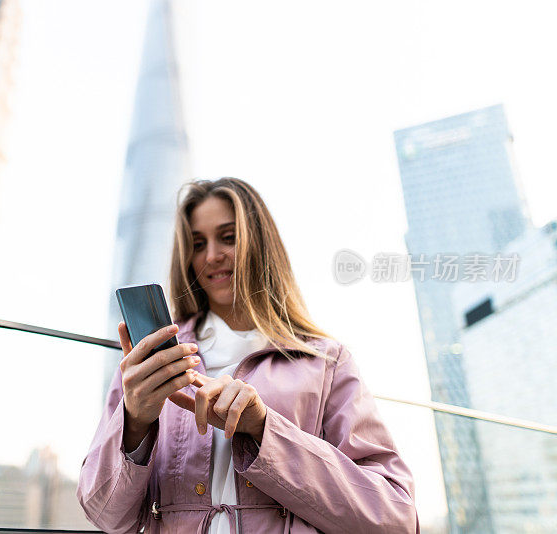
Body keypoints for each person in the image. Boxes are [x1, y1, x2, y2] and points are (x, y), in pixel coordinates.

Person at [77, 178, 419, 533]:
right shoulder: (152, 363)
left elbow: (395, 518)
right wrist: (134, 422)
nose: (211, 256)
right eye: (197, 244)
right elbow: (105, 516)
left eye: (228, 237)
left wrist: (264, 429)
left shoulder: (326, 362)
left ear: (260, 243)